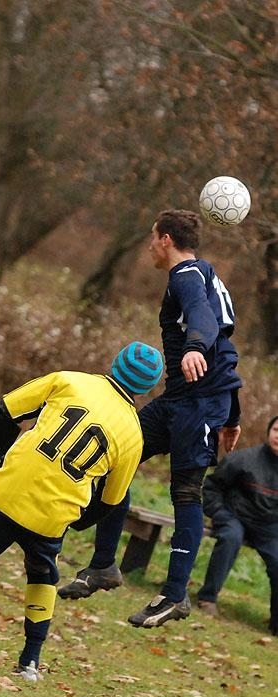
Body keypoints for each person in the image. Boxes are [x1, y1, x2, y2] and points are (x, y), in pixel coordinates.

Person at [0, 341, 163, 681]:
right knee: (43, 575)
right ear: (147, 388)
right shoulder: (134, 435)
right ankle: (29, 663)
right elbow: (111, 501)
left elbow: (3, 411)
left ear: (115, 363)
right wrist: (76, 521)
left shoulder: (70, 380)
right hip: (54, 514)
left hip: (7, 489)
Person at [58, 208, 243, 630]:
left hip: (199, 403)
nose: (148, 246)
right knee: (114, 456)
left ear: (166, 240)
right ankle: (103, 565)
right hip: (182, 399)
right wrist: (234, 415)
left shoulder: (186, 276)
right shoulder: (204, 274)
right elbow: (226, 350)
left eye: (152, 237)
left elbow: (204, 321)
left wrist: (193, 347)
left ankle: (174, 595)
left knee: (186, 492)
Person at [197, 416, 278, 635]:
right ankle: (207, 598)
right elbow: (212, 487)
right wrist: (219, 513)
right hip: (235, 518)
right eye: (276, 430)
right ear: (269, 432)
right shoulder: (243, 459)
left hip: (269, 528)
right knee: (230, 538)